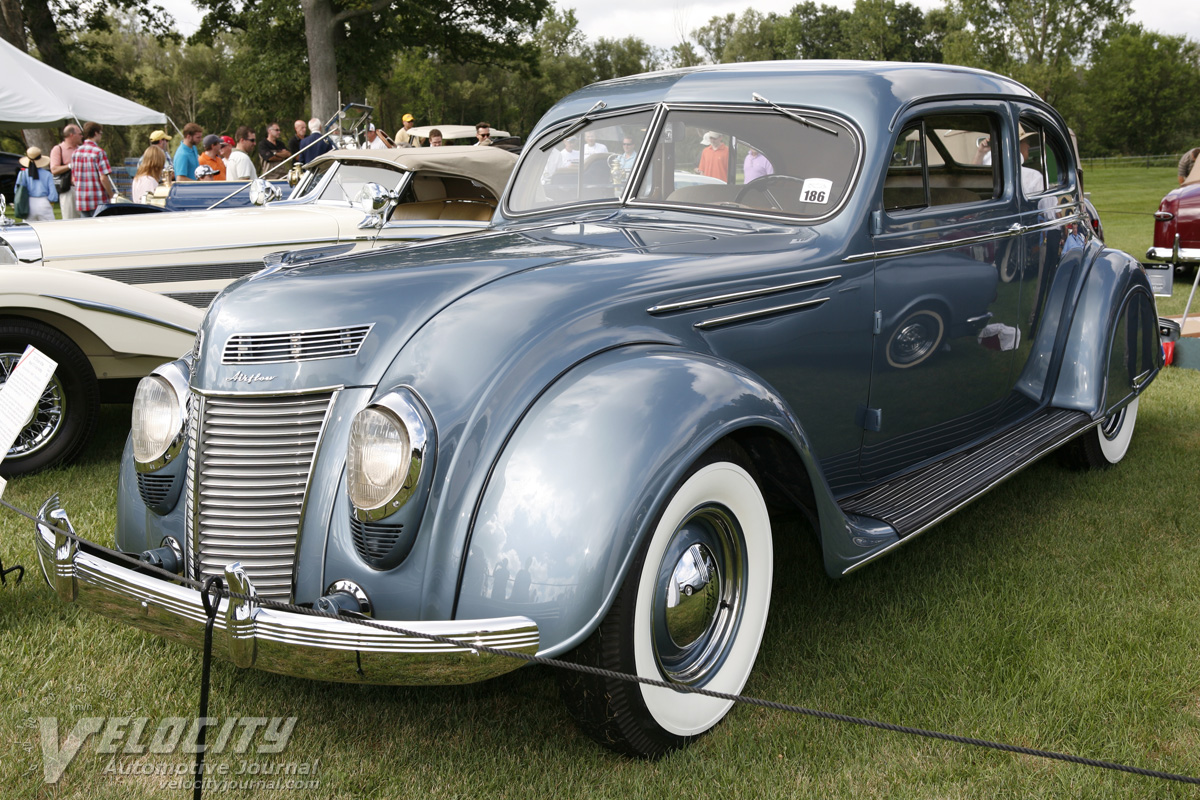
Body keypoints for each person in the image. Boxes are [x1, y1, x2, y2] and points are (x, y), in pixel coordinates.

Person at [70, 121, 116, 215]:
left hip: (81, 200)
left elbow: (74, 179)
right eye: (101, 133)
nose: (101, 136)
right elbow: (103, 178)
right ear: (96, 133)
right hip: (98, 200)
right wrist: (111, 195)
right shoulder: (99, 152)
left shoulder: (75, 153)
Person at [15, 147, 58, 221]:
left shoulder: (22, 174)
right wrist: (51, 200)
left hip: (28, 203)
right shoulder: (47, 174)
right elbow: (53, 195)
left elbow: (17, 191)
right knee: (49, 228)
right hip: (44, 202)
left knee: (30, 229)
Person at [49, 123, 82, 219]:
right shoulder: (58, 149)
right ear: (72, 135)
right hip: (68, 189)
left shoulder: (80, 149)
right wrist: (70, 165)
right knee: (70, 218)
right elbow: (54, 169)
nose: (82, 136)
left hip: (83, 188)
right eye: (79, 134)